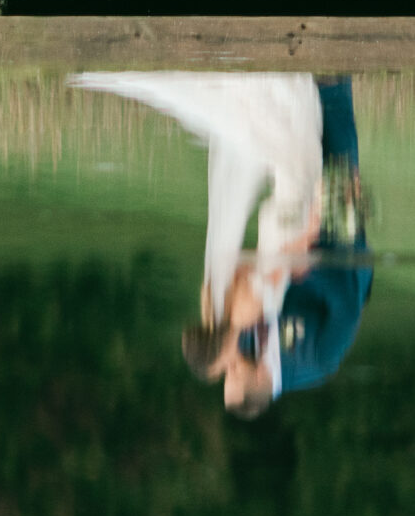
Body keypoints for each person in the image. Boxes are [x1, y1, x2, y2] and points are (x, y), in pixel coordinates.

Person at [66, 71, 373, 415]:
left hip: (296, 236)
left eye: (226, 371)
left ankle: (307, 79)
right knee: (338, 154)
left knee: (299, 148)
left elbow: (254, 274)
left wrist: (290, 253)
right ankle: (334, 81)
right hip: (338, 250)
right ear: (256, 384)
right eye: (233, 375)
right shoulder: (317, 360)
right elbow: (347, 306)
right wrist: (312, 261)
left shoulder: (240, 336)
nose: (231, 367)